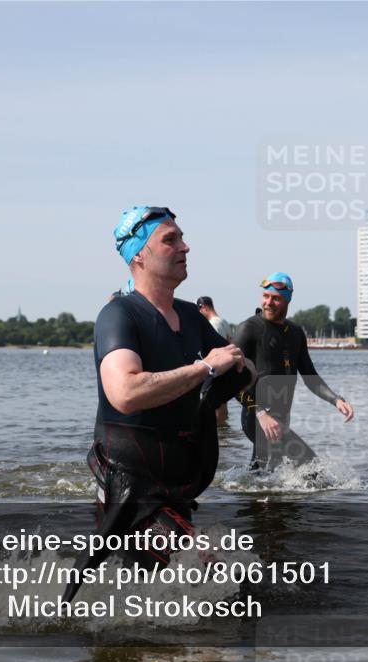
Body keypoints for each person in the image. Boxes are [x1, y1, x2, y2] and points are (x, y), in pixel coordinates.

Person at [64, 206, 255, 603]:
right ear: (139, 255)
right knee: (219, 581)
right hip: (131, 482)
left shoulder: (188, 315)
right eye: (170, 240)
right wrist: (204, 368)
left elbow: (232, 366)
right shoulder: (119, 315)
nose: (185, 246)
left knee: (185, 591)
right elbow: (126, 393)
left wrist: (239, 368)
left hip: (175, 482)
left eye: (182, 237)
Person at [233, 272, 354, 472]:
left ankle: (248, 495)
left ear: (288, 299)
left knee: (264, 474)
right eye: (266, 296)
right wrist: (261, 414)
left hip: (280, 419)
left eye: (276, 298)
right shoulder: (248, 329)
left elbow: (310, 376)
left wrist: (336, 400)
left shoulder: (296, 333)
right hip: (257, 418)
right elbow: (232, 384)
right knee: (312, 469)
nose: (269, 302)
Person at [197, 296, 234, 426]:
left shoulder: (212, 324)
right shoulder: (224, 322)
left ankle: (219, 433)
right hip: (227, 367)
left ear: (203, 307)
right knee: (223, 402)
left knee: (214, 404)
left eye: (199, 310)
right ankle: (224, 430)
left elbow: (213, 349)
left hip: (217, 369)